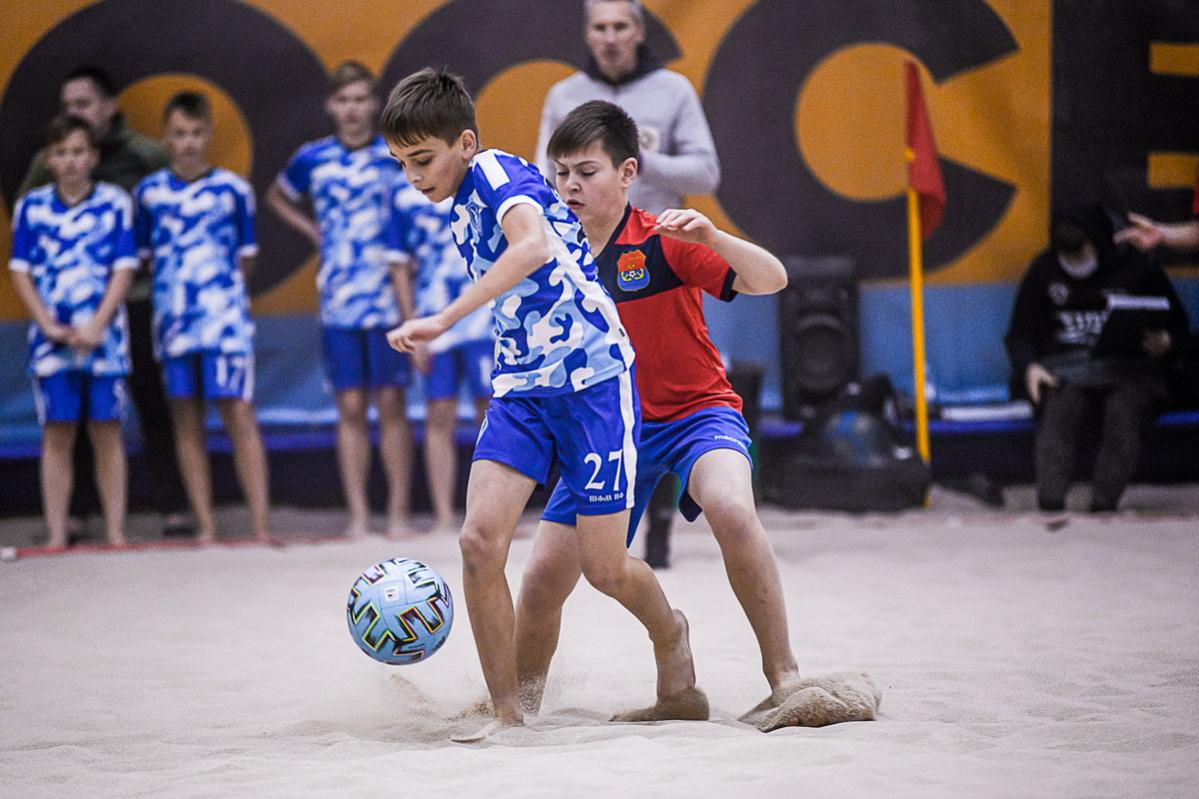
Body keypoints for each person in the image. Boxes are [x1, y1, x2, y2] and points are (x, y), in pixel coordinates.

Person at [380, 67, 705, 742]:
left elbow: (530, 247)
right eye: (400, 163)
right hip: (522, 389)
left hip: (594, 382)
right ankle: (508, 713)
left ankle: (670, 631)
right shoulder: (457, 205)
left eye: (422, 159)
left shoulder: (496, 171)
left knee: (605, 569)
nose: (412, 176)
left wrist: (444, 318)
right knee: (478, 541)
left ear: (465, 143)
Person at [514, 100, 800, 724]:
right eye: (561, 173)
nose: (569, 186)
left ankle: (785, 679)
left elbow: (772, 279)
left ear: (627, 173)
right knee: (540, 581)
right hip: (606, 430)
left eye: (585, 171)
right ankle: (521, 709)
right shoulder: (547, 254)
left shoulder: (664, 239)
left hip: (697, 413)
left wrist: (713, 236)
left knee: (731, 507)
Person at [536, 0, 723, 569]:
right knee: (598, 386)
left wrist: (638, 157)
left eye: (621, 26)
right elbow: (543, 176)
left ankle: (662, 525)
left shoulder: (673, 91)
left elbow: (707, 172)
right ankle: (590, 517)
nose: (611, 36)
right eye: (601, 27)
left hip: (658, 260)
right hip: (586, 260)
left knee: (664, 376)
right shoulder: (564, 95)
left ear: (639, 32)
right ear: (588, 34)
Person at [19, 66, 189, 539]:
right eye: (68, 105)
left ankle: (172, 507)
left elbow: (173, 209)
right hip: (66, 310)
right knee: (67, 414)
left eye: (85, 103)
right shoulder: (47, 163)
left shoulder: (144, 155)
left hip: (134, 297)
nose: (76, 112)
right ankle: (73, 516)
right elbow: (30, 223)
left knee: (147, 402)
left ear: (109, 107)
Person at [266, 61, 416, 539]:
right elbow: (277, 196)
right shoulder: (313, 157)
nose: (352, 109)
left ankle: (397, 512)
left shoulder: (393, 155)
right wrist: (313, 230)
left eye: (360, 99)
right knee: (350, 406)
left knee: (391, 403)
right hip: (339, 299)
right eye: (344, 100)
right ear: (331, 106)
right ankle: (358, 514)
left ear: (375, 104)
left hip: (388, 298)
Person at [133, 92, 273, 544]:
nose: (189, 142)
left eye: (197, 133)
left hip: (225, 325)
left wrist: (217, 296)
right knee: (185, 418)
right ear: (165, 138)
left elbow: (246, 259)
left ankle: (260, 525)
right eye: (179, 133)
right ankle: (206, 528)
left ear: (209, 134)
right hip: (174, 327)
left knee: (239, 412)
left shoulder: (233, 190)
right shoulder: (148, 194)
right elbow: (145, 258)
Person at [1005, 204, 1190, 513]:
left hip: (1131, 370)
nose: (1074, 263)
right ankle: (1050, 504)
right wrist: (1029, 367)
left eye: (1080, 254)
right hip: (1067, 370)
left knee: (1122, 409)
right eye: (1067, 256)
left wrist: (1167, 342)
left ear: (1099, 243)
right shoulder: (1045, 269)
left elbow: (1178, 325)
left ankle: (1103, 506)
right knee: (1060, 406)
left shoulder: (1136, 265)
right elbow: (1020, 333)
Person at [8, 115, 136, 548]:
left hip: (105, 340)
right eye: (61, 153)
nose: (70, 161)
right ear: (48, 159)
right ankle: (57, 534)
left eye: (78, 151)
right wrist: (46, 324)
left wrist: (98, 323)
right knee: (57, 433)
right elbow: (20, 271)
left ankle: (116, 530)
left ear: (94, 157)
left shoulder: (115, 203)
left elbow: (124, 267)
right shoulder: (32, 207)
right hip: (52, 342)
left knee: (107, 430)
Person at [385, 173, 493, 534]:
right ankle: (444, 515)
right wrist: (411, 324)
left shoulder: (483, 181)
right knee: (439, 412)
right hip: (432, 319)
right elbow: (398, 265)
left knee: (492, 414)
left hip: (484, 318)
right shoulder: (403, 194)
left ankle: (489, 514)